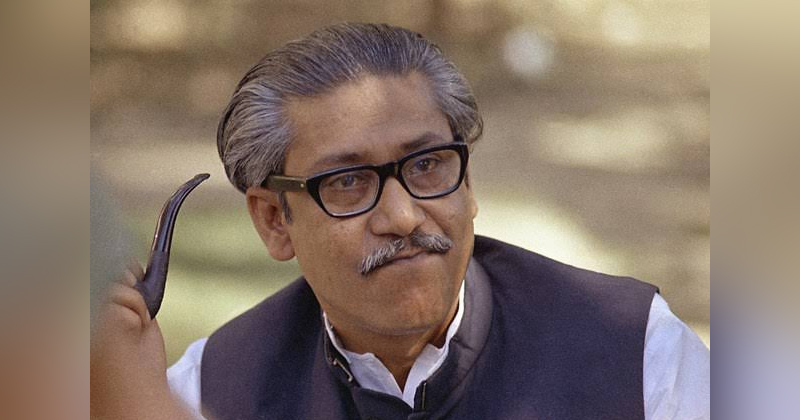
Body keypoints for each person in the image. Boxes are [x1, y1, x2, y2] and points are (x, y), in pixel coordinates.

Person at [104, 23, 709, 419]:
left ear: (468, 183)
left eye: (426, 165)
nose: (401, 215)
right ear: (274, 222)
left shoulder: (636, 354)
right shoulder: (213, 388)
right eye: (348, 181)